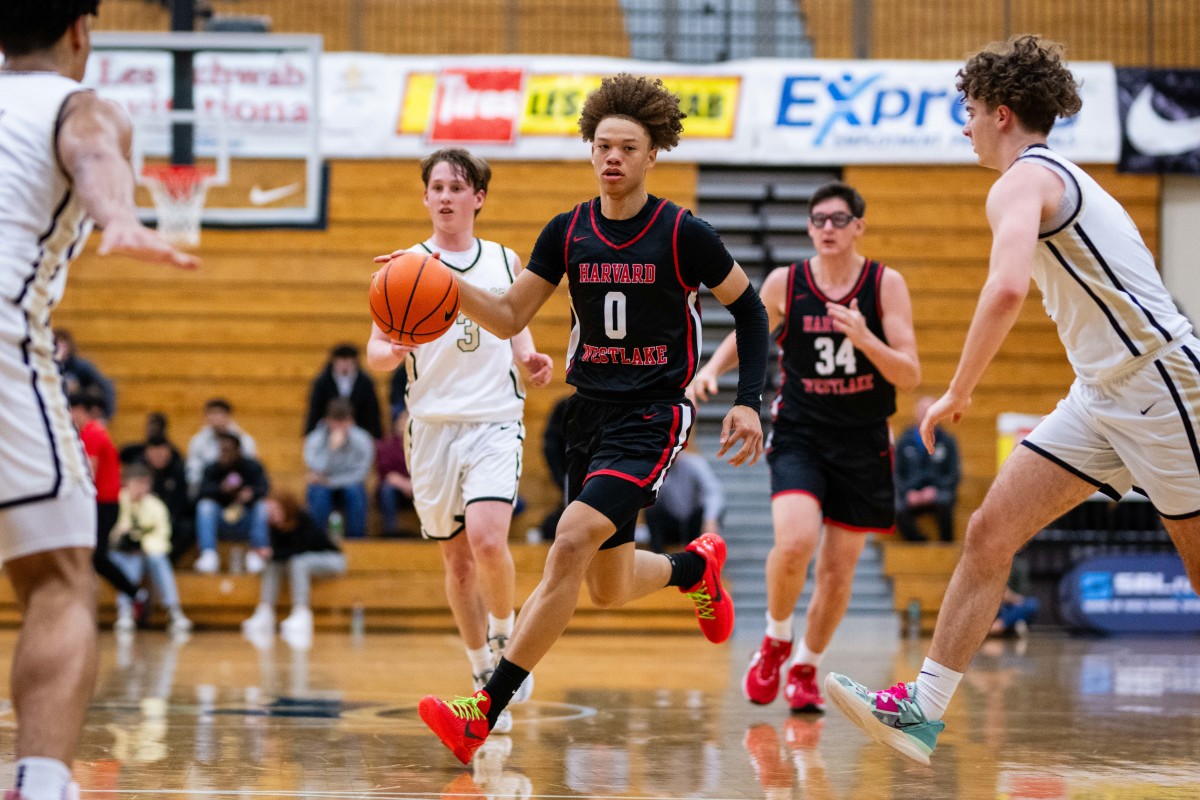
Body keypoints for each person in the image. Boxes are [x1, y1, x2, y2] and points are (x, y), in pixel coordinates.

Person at [826, 35, 1200, 767]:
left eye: (967, 112)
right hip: (1100, 395)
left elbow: (1004, 287)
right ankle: (921, 713)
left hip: (1159, 384)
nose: (962, 127)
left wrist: (958, 391)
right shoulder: (1057, 179)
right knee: (990, 534)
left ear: (1000, 114)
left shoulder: (1023, 180)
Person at [399, 75, 769, 764]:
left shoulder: (684, 233)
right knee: (605, 586)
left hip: (653, 414)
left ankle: (484, 707)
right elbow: (511, 315)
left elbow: (750, 309)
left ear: (653, 153)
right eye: (602, 146)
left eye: (628, 147)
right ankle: (694, 569)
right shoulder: (567, 231)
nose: (613, 158)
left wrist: (749, 398)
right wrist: (443, 285)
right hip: (587, 417)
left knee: (568, 542)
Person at [0, 1, 198, 796]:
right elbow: (91, 150)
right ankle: (42, 783)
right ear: (82, 31)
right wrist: (121, 214)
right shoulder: (78, 104)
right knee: (59, 576)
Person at [689, 180, 919, 714]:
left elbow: (908, 375)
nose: (827, 229)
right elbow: (750, 329)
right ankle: (774, 639)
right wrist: (711, 370)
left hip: (863, 439)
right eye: (819, 220)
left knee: (839, 572)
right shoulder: (786, 282)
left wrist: (865, 339)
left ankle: (807, 668)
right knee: (794, 543)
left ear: (859, 226)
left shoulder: (885, 285)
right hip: (801, 433)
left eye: (839, 219)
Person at [366, 146, 555, 736]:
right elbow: (374, 352)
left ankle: (507, 639)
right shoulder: (402, 268)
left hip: (496, 418)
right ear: (425, 197)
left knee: (488, 539)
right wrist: (392, 350)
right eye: (437, 186)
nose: (446, 195)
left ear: (479, 197)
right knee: (458, 561)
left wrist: (529, 358)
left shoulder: (503, 259)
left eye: (458, 186)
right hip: (431, 429)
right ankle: (480, 672)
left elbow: (513, 321)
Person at [69, 393, 149, 614]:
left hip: (102, 503)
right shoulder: (93, 432)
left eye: (71, 410)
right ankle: (134, 594)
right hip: (103, 502)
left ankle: (134, 593)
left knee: (96, 556)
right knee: (93, 556)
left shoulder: (91, 433)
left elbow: (89, 472)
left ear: (79, 410)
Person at [242, 491, 347, 646]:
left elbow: (299, 548)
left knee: (298, 561)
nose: (272, 515)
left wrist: (271, 553)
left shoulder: (302, 520)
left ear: (287, 508)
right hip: (301, 558)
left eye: (276, 511)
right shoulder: (275, 527)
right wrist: (265, 554)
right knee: (273, 563)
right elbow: (280, 553)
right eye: (270, 512)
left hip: (332, 559)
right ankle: (265, 611)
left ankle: (301, 612)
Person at [108, 463, 193, 635]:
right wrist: (122, 537)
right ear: (126, 483)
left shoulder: (156, 505)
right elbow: (109, 534)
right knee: (130, 561)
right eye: (137, 483)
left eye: (145, 483)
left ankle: (173, 611)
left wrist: (142, 544)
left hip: (150, 552)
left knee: (158, 560)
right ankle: (125, 611)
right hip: (121, 554)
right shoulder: (116, 501)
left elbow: (163, 536)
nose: (141, 488)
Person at [193, 432, 271, 575]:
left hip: (245, 519)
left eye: (228, 450)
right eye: (222, 450)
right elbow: (201, 492)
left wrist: (251, 494)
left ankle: (256, 552)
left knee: (262, 506)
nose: (224, 454)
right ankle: (209, 554)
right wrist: (221, 489)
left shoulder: (252, 467)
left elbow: (265, 488)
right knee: (205, 506)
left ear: (238, 451)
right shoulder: (212, 468)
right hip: (221, 520)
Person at [303, 397, 375, 539]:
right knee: (318, 492)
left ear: (351, 421)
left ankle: (356, 541)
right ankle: (317, 540)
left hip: (346, 483)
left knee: (355, 492)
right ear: (327, 420)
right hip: (323, 486)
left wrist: (330, 481)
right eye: (336, 422)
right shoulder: (314, 439)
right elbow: (315, 468)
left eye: (344, 422)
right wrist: (332, 449)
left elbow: (361, 473)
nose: (340, 427)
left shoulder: (363, 439)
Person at [894, 395, 961, 542]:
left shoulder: (947, 441)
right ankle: (919, 542)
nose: (925, 414)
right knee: (896, 508)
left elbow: (954, 474)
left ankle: (946, 545)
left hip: (938, 492)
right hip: (912, 494)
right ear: (916, 412)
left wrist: (934, 490)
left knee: (945, 502)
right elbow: (897, 474)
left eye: (930, 410)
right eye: (922, 410)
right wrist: (908, 492)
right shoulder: (904, 441)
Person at [643, 449, 724, 554]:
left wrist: (710, 519)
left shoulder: (695, 463)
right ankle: (658, 557)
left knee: (708, 511)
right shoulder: (659, 469)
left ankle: (701, 558)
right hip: (672, 524)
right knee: (652, 512)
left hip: (695, 523)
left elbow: (713, 493)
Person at [303, 343, 384, 440]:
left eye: (348, 361)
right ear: (334, 362)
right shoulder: (322, 381)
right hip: (328, 430)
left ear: (355, 362)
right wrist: (309, 432)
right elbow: (315, 409)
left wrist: (377, 435)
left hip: (358, 429)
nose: (344, 365)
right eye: (341, 361)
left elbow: (372, 410)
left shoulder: (365, 382)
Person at [185, 398, 258, 499]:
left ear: (228, 416)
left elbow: (250, 469)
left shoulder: (245, 441)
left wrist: (241, 486)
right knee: (205, 507)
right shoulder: (198, 442)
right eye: (212, 414)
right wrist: (211, 488)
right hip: (209, 492)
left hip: (240, 491)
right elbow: (193, 472)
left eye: (219, 414)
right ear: (206, 417)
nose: (216, 418)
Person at [54, 328, 116, 420]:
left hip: (78, 416)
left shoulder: (81, 367)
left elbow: (106, 386)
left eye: (63, 346)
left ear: (69, 347)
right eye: (57, 346)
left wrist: (105, 415)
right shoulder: (48, 368)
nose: (60, 351)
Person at [375, 408, 415, 537]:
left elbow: (431, 469)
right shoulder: (387, 444)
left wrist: (415, 483)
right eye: (402, 419)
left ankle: (434, 531)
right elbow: (386, 472)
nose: (404, 423)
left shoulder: (423, 445)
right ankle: (390, 531)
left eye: (408, 419)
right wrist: (405, 484)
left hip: (418, 485)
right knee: (387, 490)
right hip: (396, 486)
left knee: (431, 489)